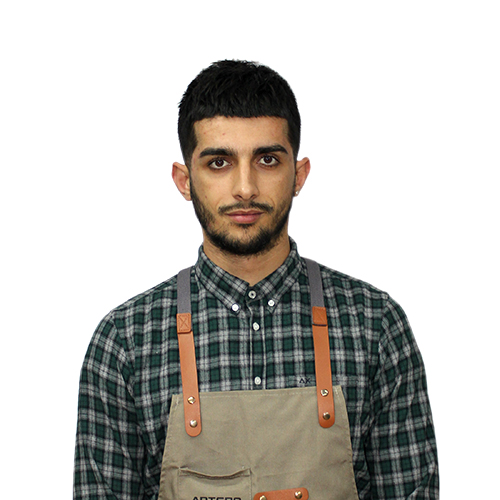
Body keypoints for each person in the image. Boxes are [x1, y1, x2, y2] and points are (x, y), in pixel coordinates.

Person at [73, 60, 439, 499]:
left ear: (298, 175)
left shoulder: (375, 326)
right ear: (184, 180)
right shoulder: (127, 341)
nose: (245, 188)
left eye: (267, 160)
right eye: (219, 162)